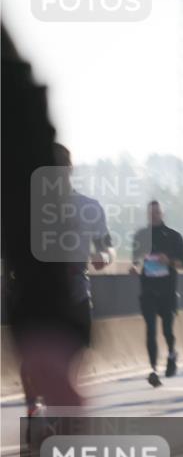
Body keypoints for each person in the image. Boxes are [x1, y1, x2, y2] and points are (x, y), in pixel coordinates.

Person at [2, 24, 88, 412]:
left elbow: (22, 138)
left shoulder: (81, 205)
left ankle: (37, 404)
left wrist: (45, 317)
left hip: (69, 288)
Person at [22, 144, 113, 415]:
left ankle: (59, 410)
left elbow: (107, 246)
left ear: (69, 170)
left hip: (75, 288)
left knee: (71, 360)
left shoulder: (89, 207)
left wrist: (104, 256)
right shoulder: (26, 208)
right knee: (32, 358)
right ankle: (34, 408)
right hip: (35, 288)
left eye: (59, 168)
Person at [131, 201, 183, 387]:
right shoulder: (141, 235)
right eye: (151, 212)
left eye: (157, 212)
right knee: (150, 329)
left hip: (168, 291)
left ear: (162, 214)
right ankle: (153, 369)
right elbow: (137, 260)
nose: (154, 215)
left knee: (167, 330)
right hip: (148, 290)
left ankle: (171, 354)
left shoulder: (174, 236)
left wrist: (169, 261)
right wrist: (134, 267)